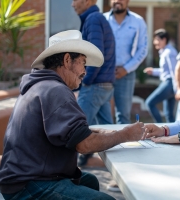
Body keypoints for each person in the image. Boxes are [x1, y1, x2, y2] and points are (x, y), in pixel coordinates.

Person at [0, 30, 144, 199]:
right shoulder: (56, 90)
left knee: (90, 181)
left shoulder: (41, 86)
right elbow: (84, 145)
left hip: (23, 177)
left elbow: (70, 133)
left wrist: (101, 133)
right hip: (28, 184)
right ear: (67, 60)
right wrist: (125, 134)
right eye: (83, 63)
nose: (85, 72)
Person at [72, 0, 116, 167]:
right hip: (103, 85)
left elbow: (94, 55)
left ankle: (61, 175)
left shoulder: (93, 19)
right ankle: (122, 172)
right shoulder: (95, 18)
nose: (72, 4)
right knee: (110, 135)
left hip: (95, 85)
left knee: (74, 130)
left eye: (75, 0)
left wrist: (85, 81)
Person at [104, 0, 148, 124]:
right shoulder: (102, 19)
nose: (118, 1)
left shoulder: (138, 21)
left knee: (123, 115)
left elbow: (143, 49)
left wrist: (126, 69)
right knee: (103, 113)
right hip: (104, 74)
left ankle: (122, 143)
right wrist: (105, 67)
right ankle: (104, 142)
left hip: (126, 74)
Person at [144, 29, 178, 123]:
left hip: (169, 83)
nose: (155, 42)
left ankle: (159, 127)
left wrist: (176, 89)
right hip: (169, 82)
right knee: (169, 114)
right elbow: (164, 71)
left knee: (149, 103)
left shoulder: (169, 52)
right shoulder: (165, 51)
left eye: (157, 39)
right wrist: (153, 71)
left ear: (164, 40)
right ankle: (171, 133)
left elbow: (174, 71)